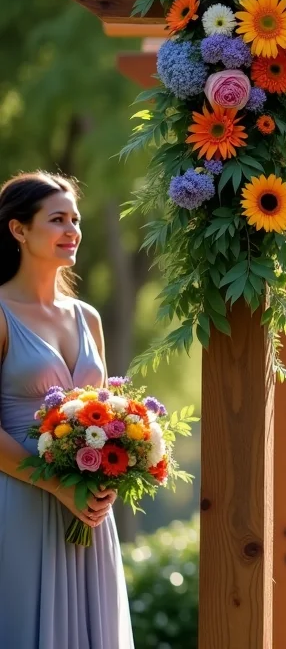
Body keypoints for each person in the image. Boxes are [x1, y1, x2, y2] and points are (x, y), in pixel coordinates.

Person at [0, 171, 133, 648]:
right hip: (20, 502)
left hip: (88, 511)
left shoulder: (87, 317)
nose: (72, 230)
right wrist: (57, 485)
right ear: (19, 229)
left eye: (75, 219)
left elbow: (105, 412)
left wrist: (114, 474)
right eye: (57, 219)